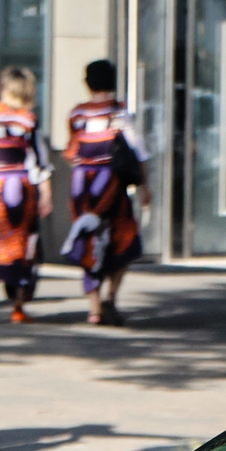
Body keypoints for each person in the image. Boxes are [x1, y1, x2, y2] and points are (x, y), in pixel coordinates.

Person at [64, 59, 150, 327]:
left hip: (83, 188)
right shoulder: (120, 112)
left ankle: (94, 308)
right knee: (123, 241)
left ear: (87, 83)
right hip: (112, 186)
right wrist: (145, 185)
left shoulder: (76, 115)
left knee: (89, 241)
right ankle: (111, 297)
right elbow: (138, 150)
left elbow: (71, 153)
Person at [0, 67, 51, 323]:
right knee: (24, 245)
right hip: (19, 191)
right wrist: (46, 194)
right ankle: (18, 307)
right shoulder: (27, 120)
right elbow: (39, 161)